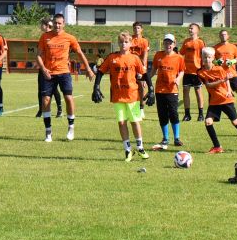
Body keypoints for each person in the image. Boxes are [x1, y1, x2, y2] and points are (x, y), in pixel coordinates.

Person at [37, 13, 94, 142]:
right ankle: (48, 132)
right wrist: (43, 69)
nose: (57, 25)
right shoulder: (45, 37)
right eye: (55, 23)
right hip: (49, 73)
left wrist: (88, 69)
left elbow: (80, 53)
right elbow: (38, 55)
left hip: (64, 72)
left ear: (64, 24)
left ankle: (71, 127)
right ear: (52, 23)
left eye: (59, 23)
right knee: (45, 100)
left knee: (68, 98)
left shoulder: (69, 38)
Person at [94, 32, 149, 161]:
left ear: (130, 43)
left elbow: (144, 73)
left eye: (126, 42)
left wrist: (151, 89)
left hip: (132, 96)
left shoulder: (135, 58)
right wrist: (96, 87)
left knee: (135, 121)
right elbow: (101, 71)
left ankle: (140, 147)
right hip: (118, 96)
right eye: (121, 42)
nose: (123, 44)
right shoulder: (112, 57)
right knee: (121, 122)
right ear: (118, 43)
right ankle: (128, 150)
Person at [198, 47, 237, 155]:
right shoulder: (201, 72)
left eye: (209, 57)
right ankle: (217, 147)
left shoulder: (219, 69)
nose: (207, 59)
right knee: (208, 122)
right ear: (202, 57)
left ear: (213, 58)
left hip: (225, 99)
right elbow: (208, 85)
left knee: (235, 121)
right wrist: (222, 80)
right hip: (214, 101)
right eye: (205, 57)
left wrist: (229, 91)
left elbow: (227, 79)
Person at [148, 33, 185, 149]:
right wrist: (147, 79)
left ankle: (177, 138)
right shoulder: (158, 55)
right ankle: (165, 138)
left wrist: (178, 79)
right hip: (160, 90)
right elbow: (153, 69)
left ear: (174, 44)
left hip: (172, 90)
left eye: (170, 42)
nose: (168, 44)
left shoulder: (179, 57)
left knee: (173, 113)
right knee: (162, 115)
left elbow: (182, 70)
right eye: (166, 42)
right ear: (163, 43)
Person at [179, 24, 205, 122]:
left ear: (197, 30)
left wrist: (203, 70)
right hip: (186, 71)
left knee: (198, 92)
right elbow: (181, 53)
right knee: (185, 91)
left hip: (197, 71)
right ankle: (187, 115)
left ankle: (201, 114)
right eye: (189, 28)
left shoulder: (200, 42)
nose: (190, 29)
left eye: (192, 28)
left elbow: (204, 56)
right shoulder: (186, 41)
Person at [38, 20, 64, 116]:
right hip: (42, 68)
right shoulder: (43, 37)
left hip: (52, 68)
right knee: (40, 89)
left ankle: (60, 109)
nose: (40, 26)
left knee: (54, 89)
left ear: (46, 25)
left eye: (41, 25)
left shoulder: (53, 36)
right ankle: (41, 110)